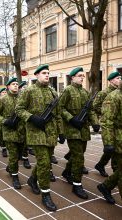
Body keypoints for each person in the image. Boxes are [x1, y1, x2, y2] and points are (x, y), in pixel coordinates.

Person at [15, 64, 64, 211]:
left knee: (46, 161)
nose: (47, 75)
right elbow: (19, 109)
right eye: (44, 73)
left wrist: (61, 132)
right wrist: (31, 118)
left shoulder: (52, 92)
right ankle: (46, 194)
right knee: (44, 163)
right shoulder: (29, 91)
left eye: (48, 73)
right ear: (37, 75)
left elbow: (58, 113)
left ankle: (32, 180)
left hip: (51, 132)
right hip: (36, 132)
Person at [59, 67, 99, 199]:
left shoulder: (85, 92)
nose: (82, 77)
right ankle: (77, 184)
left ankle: (66, 172)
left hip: (83, 129)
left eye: (83, 75)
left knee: (78, 154)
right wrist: (71, 119)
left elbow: (91, 110)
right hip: (72, 129)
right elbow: (60, 108)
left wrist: (95, 122)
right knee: (79, 158)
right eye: (79, 75)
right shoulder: (67, 90)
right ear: (72, 78)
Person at [0, 78, 25, 189]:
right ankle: (15, 176)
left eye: (17, 84)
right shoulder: (2, 99)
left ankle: (10, 167)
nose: (16, 86)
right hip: (9, 131)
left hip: (22, 131)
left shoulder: (23, 98)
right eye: (13, 84)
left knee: (20, 154)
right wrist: (5, 121)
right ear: (8, 86)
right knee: (14, 155)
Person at [97, 79, 122, 204]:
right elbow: (107, 122)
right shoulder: (113, 97)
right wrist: (108, 143)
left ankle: (106, 186)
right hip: (119, 140)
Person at [93, 71, 121, 177]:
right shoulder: (104, 93)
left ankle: (101, 165)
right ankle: (115, 175)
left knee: (113, 150)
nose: (120, 80)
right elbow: (95, 106)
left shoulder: (120, 92)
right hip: (109, 125)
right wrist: (106, 112)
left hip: (117, 125)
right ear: (111, 80)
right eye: (117, 78)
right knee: (113, 150)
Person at [0, 87, 8, 158]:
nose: (4, 93)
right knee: (1, 136)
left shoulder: (8, 100)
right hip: (0, 121)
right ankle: (4, 148)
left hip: (8, 121)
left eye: (5, 92)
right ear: (0, 93)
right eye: (3, 92)